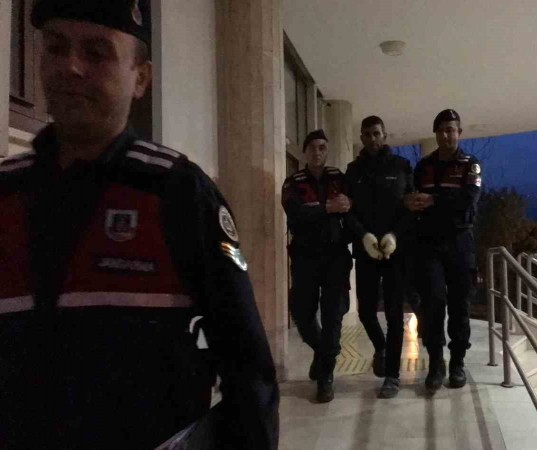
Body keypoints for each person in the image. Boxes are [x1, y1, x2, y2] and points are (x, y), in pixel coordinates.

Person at [0, 1, 279, 448]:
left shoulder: (176, 192)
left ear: (141, 79)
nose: (71, 66)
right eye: (55, 47)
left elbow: (246, 367)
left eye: (96, 52)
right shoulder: (7, 192)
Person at [406, 109, 482, 394]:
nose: (447, 135)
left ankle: (457, 363)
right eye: (442, 130)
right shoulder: (423, 166)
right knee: (433, 304)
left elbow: (468, 199)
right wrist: (412, 202)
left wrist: (433, 201)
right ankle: (436, 364)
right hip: (429, 245)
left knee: (460, 306)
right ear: (435, 134)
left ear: (459, 133)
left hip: (460, 243)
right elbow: (414, 198)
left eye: (452, 130)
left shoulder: (470, 165)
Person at [281, 129, 354, 403]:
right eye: (312, 147)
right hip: (305, 258)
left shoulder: (339, 179)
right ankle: (323, 352)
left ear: (327, 150)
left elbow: (352, 207)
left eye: (322, 147)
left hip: (335, 257)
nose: (317, 152)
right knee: (301, 313)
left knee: (333, 315)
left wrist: (349, 203)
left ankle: (326, 378)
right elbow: (295, 214)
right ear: (304, 152)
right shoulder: (293, 182)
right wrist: (327, 208)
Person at [345, 116, 414, 398]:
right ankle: (381, 347)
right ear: (361, 138)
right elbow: (347, 211)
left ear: (385, 135)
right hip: (366, 251)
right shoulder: (353, 170)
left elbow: (410, 208)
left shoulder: (401, 166)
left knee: (395, 315)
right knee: (365, 312)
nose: (372, 139)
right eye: (367, 135)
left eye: (376, 133)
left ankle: (392, 376)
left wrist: (395, 235)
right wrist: (362, 235)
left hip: (395, 251)